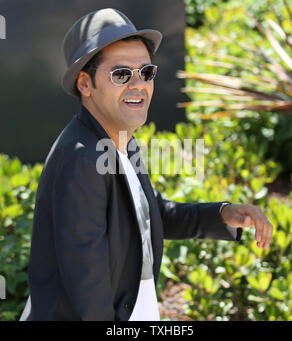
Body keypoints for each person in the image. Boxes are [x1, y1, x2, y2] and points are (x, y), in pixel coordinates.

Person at [21, 8, 273, 321]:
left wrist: (223, 214)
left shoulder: (119, 139)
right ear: (85, 84)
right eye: (121, 74)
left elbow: (149, 215)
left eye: (146, 72)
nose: (138, 85)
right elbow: (89, 291)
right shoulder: (81, 160)